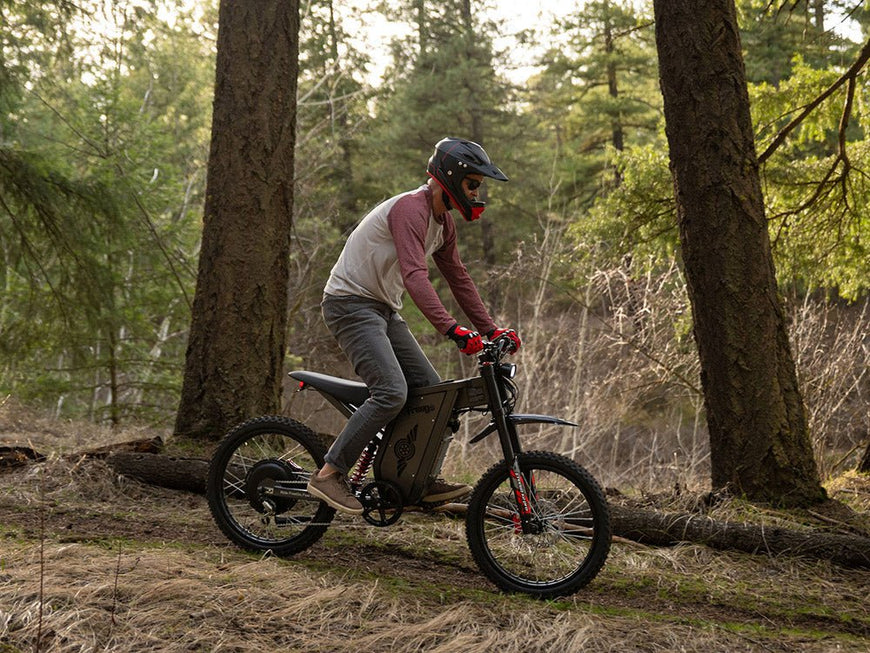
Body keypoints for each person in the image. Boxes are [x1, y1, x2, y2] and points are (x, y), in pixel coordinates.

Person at [306, 137, 522, 515]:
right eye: (473, 184)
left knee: (431, 394)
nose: (476, 193)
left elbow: (458, 277)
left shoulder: (443, 224)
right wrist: (453, 330)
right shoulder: (411, 209)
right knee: (391, 391)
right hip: (349, 304)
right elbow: (415, 276)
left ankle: (414, 476)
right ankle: (328, 473)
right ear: (451, 179)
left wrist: (491, 330)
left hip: (383, 309)